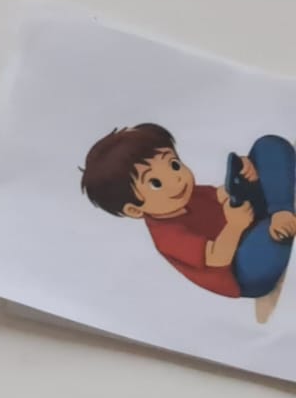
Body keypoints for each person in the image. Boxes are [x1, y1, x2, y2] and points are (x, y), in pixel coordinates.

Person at [81, 124, 296, 320]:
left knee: (268, 146)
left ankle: (281, 210)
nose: (176, 178)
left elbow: (221, 195)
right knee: (268, 234)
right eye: (156, 183)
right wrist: (235, 226)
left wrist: (248, 176)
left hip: (248, 224)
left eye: (174, 165)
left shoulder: (188, 194)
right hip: (241, 271)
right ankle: (277, 223)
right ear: (134, 209)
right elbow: (218, 257)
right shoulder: (167, 237)